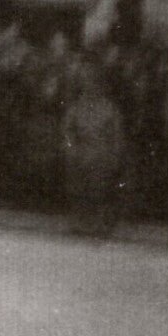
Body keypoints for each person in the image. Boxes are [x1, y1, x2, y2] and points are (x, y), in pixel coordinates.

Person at [62, 61, 127, 237]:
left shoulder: (109, 108)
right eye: (86, 82)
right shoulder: (76, 107)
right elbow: (67, 131)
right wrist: (71, 149)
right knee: (78, 185)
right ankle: (80, 220)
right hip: (80, 151)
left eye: (93, 82)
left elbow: (117, 135)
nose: (90, 86)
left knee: (100, 185)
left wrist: (114, 156)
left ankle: (100, 222)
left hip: (102, 152)